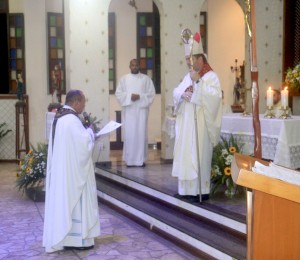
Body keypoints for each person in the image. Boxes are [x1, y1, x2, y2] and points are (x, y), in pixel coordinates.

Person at [43, 89, 100, 253]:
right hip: (73, 175)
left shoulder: (60, 118)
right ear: (76, 102)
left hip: (64, 172)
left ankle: (67, 237)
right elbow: (83, 147)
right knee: (75, 204)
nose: (84, 105)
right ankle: (78, 239)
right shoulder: (71, 120)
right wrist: (90, 132)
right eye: (83, 102)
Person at [172, 33, 223, 202]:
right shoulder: (188, 75)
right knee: (186, 155)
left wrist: (198, 84)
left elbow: (214, 98)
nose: (188, 62)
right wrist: (183, 94)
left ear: (200, 58)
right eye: (187, 58)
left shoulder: (211, 77)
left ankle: (200, 190)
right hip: (187, 124)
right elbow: (176, 91)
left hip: (200, 125)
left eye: (191, 58)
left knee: (198, 156)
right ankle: (185, 190)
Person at [115, 59, 156, 167]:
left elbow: (151, 94)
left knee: (141, 134)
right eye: (132, 65)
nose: (134, 67)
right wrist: (129, 97)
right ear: (129, 66)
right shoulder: (124, 79)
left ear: (139, 66)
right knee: (130, 135)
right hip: (129, 112)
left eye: (136, 65)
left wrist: (140, 97)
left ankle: (140, 160)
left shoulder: (146, 79)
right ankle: (130, 160)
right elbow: (118, 94)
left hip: (141, 112)